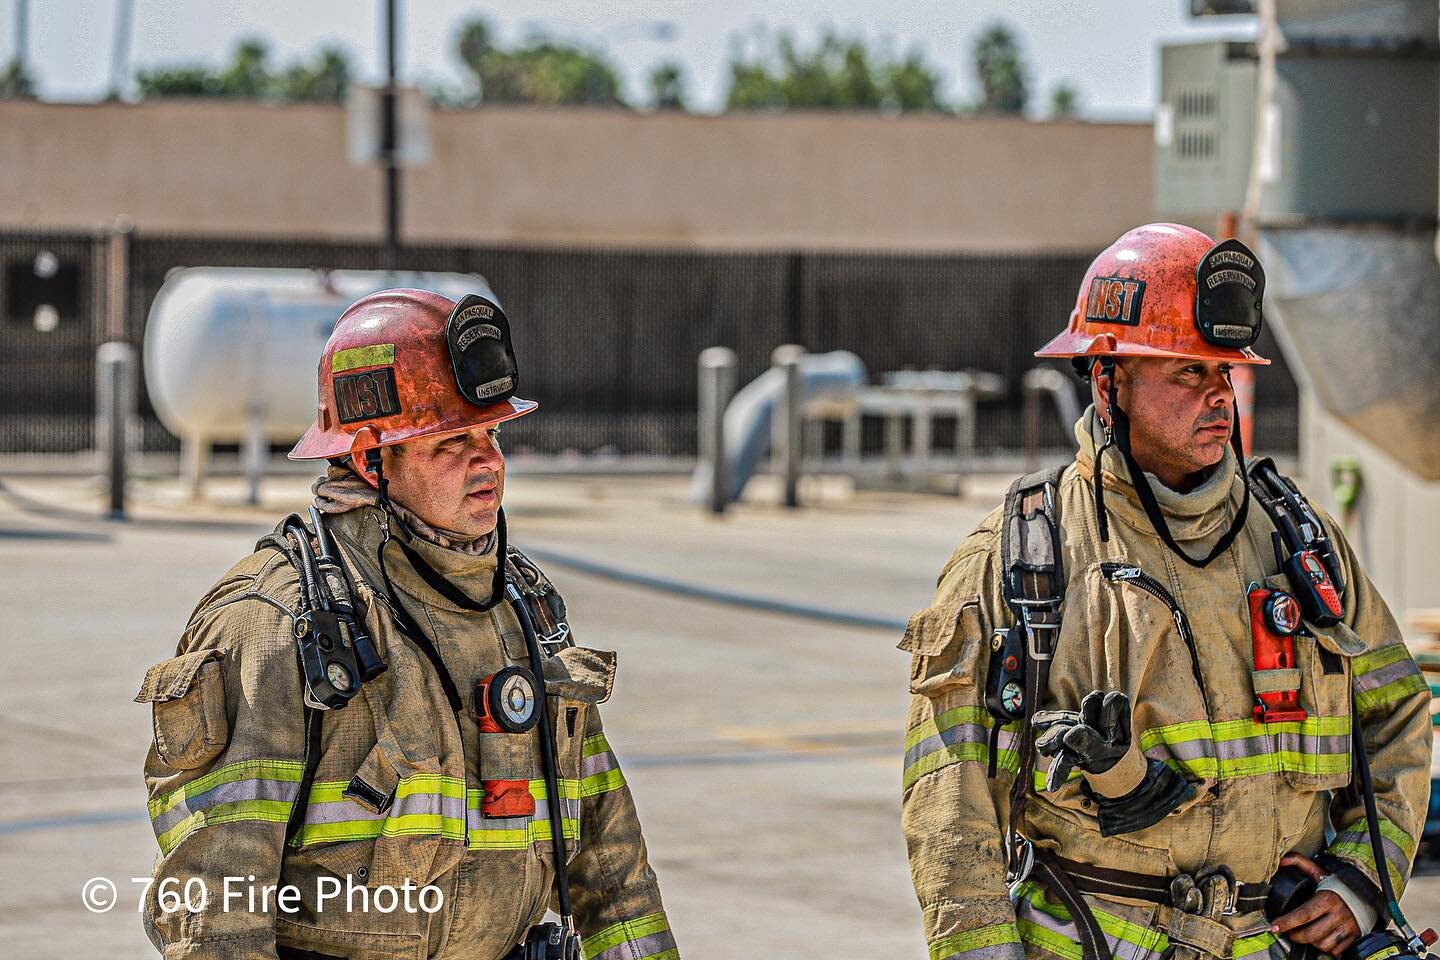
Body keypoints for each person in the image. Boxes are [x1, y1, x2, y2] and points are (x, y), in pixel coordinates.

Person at [900, 223, 1431, 960]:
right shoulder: (1021, 560)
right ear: (1107, 378)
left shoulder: (1298, 543)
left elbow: (1397, 714)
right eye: (1188, 371)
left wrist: (1360, 886)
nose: (1219, 395)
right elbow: (952, 802)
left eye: (1225, 372)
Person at [137, 288, 678, 960]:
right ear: (370, 459)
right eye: (452, 441)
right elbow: (216, 918)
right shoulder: (274, 625)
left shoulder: (523, 609)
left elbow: (610, 864)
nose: (488, 462)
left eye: (492, 434)